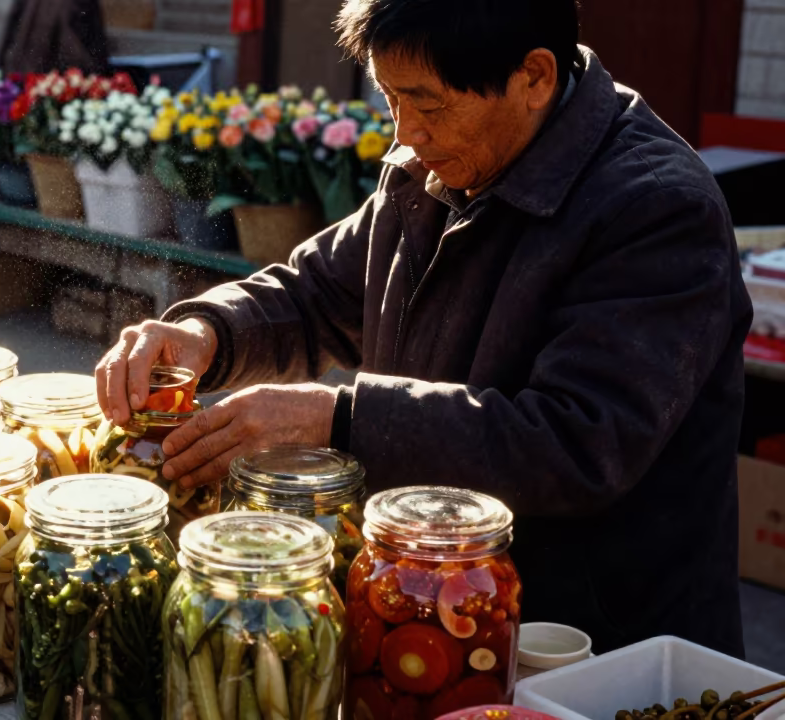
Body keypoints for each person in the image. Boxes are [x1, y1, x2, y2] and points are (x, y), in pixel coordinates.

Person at [95, 0, 750, 657]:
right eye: (390, 98)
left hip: (594, 641)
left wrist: (338, 418)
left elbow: (576, 443)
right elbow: (321, 291)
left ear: (535, 78)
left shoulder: (658, 207)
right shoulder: (433, 166)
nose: (406, 131)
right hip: (425, 602)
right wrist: (208, 332)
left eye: (429, 104)